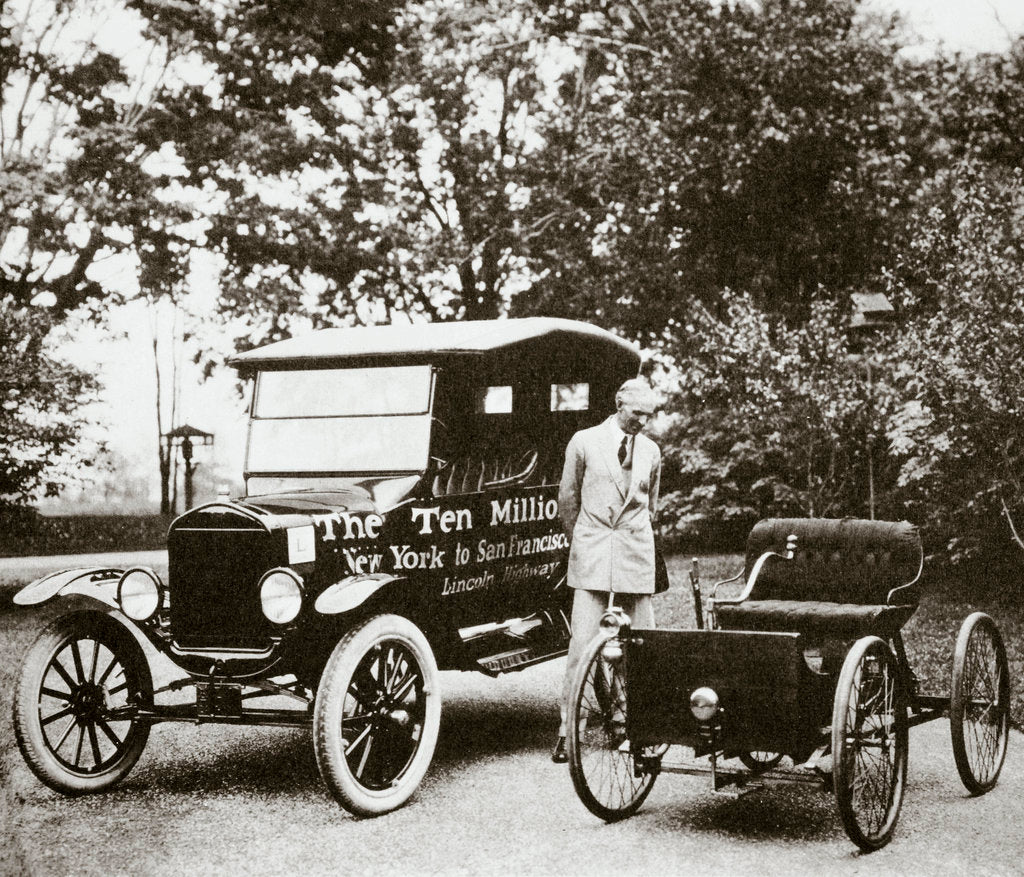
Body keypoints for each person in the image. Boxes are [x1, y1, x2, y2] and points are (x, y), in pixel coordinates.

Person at [552, 377, 661, 763]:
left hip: (635, 552)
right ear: (619, 404)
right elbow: (568, 498)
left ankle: (631, 724)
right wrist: (581, 541)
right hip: (593, 549)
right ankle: (570, 731)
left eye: (648, 416)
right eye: (636, 413)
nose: (642, 422)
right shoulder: (583, 442)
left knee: (641, 645)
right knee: (582, 645)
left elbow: (650, 506)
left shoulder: (651, 450)